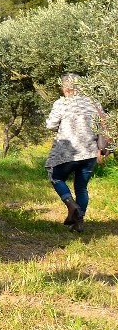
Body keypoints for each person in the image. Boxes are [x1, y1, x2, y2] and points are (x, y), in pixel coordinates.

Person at [45, 73, 105, 232]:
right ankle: (79, 222)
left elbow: (50, 125)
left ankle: (71, 205)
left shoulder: (62, 103)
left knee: (56, 177)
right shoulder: (95, 103)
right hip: (90, 152)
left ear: (65, 88)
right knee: (81, 187)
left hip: (67, 152)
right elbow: (104, 126)